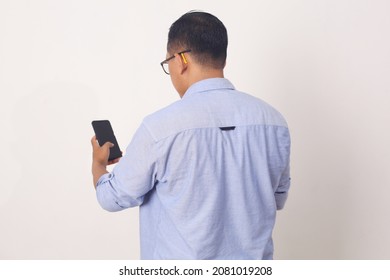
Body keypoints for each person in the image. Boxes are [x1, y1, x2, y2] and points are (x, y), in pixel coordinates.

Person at [91, 11, 291, 260]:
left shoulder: (160, 129)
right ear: (222, 59)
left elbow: (112, 197)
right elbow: (276, 199)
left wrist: (99, 165)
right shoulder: (274, 123)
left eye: (168, 64)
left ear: (181, 60)